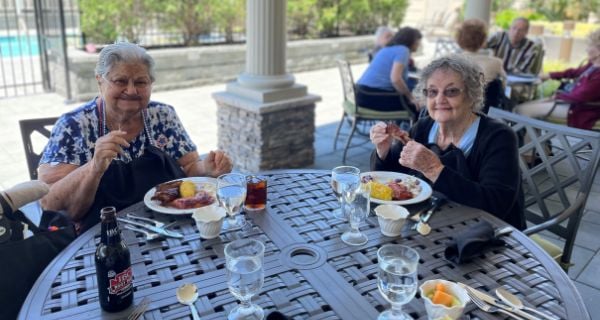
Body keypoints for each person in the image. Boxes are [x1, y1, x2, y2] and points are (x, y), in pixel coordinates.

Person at [38, 42, 233, 232]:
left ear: (151, 84)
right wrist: (94, 167)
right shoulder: (73, 126)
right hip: (103, 234)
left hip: (168, 225)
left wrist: (207, 170)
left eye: (140, 82)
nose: (131, 90)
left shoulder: (163, 115)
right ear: (100, 81)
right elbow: (49, 203)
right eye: (120, 81)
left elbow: (190, 167)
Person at [369, 54, 525, 230]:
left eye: (451, 91)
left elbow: (496, 205)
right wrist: (384, 151)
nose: (440, 100)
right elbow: (391, 180)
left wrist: (435, 170)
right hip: (435, 224)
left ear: (471, 95)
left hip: (487, 236)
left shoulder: (499, 137)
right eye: (433, 92)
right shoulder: (424, 127)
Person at [515, 29, 600, 130]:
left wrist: (558, 96)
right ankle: (537, 144)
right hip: (569, 103)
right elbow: (573, 73)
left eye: (590, 46)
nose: (586, 49)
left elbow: (581, 96)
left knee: (522, 111)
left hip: (579, 110)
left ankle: (532, 145)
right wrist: (550, 75)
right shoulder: (593, 65)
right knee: (520, 109)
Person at [356, 27, 422, 115]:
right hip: (371, 96)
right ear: (411, 40)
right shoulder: (403, 50)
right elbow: (395, 79)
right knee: (419, 107)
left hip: (361, 93)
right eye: (418, 41)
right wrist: (410, 97)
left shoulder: (388, 48)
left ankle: (402, 126)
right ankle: (413, 128)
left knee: (414, 98)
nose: (419, 44)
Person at [456, 19, 507, 112]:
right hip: (485, 113)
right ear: (484, 39)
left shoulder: (450, 61)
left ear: (459, 38)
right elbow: (504, 86)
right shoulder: (496, 63)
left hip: (456, 110)